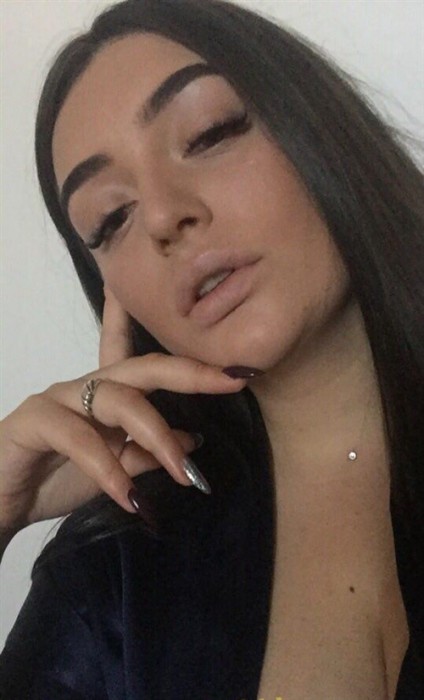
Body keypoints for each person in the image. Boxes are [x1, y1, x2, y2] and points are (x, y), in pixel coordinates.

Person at [0, 0, 423, 697]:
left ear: (318, 129)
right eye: (112, 217)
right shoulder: (113, 577)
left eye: (209, 133)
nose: (164, 217)